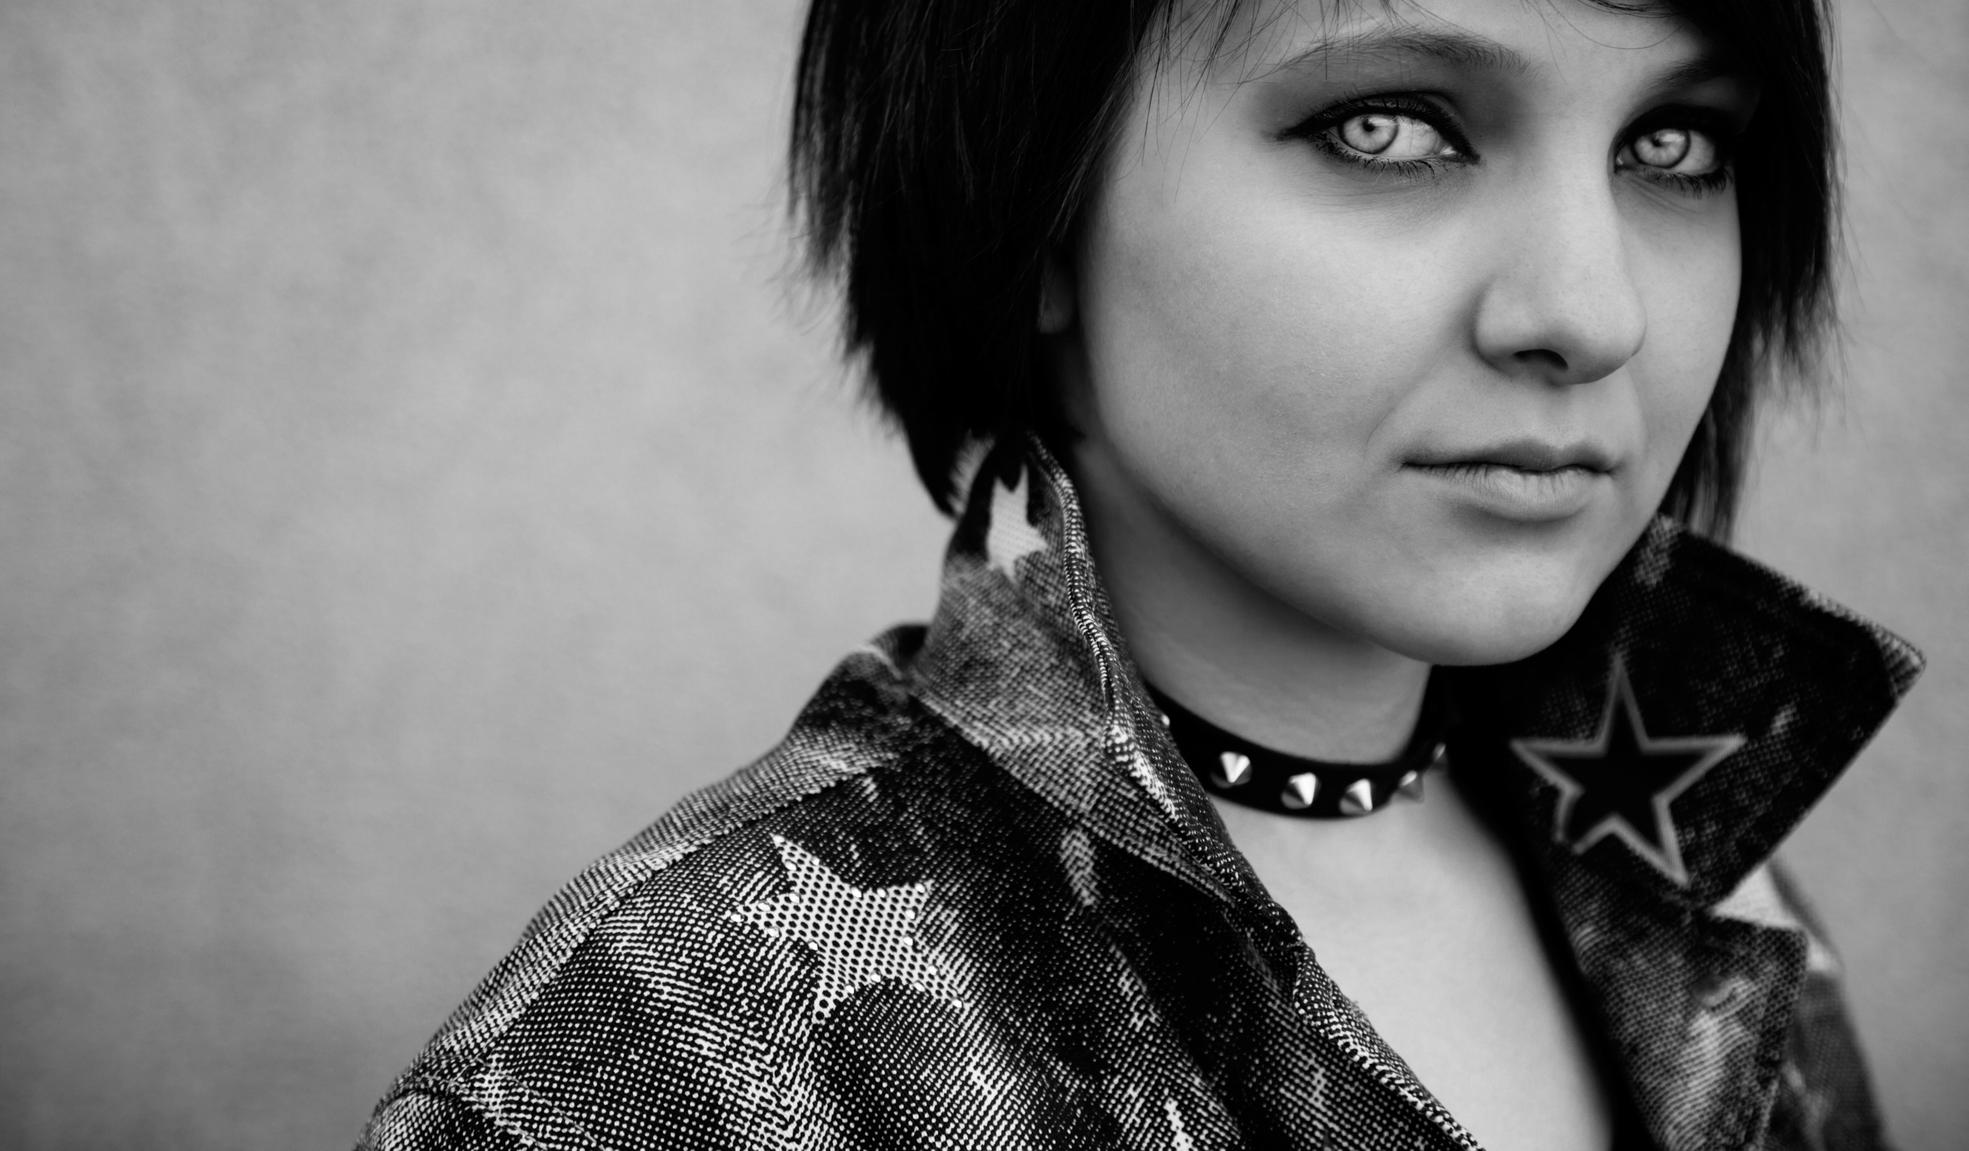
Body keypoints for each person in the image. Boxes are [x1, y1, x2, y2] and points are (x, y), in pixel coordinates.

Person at [358, 0, 1922, 1147]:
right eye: (1386, 128)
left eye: (1675, 144)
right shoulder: (694, 1030)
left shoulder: (1710, 890)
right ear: (1035, 205)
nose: (1592, 311)